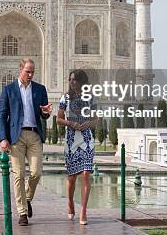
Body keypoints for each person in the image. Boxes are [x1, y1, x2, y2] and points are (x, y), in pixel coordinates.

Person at [0, 58, 52, 226]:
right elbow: (2, 115)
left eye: (32, 72)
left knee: (36, 173)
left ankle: (27, 198)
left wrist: (46, 113)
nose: (30, 74)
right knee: (19, 175)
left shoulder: (40, 89)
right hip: (17, 137)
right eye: (27, 71)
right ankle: (22, 212)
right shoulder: (9, 89)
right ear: (20, 70)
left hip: (34, 135)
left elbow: (44, 113)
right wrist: (3, 138)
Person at [57, 70, 98, 226]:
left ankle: (83, 210)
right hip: (71, 140)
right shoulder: (65, 97)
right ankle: (70, 202)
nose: (71, 82)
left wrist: (89, 123)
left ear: (82, 81)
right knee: (72, 178)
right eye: (70, 80)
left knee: (86, 174)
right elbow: (59, 119)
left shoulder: (91, 97)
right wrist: (71, 124)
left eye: (74, 80)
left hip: (86, 139)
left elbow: (95, 119)